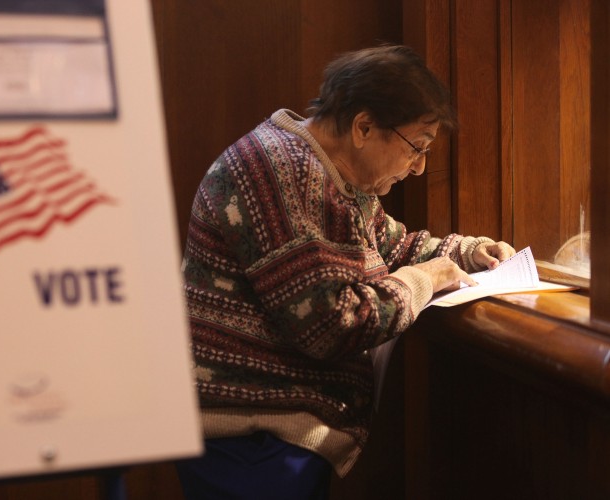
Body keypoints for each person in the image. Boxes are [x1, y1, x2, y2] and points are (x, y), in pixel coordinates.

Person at [176, 44, 515, 499]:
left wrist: (468, 252)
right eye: (417, 146)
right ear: (364, 127)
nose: (419, 168)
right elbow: (330, 324)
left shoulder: (332, 175)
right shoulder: (283, 170)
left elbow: (393, 247)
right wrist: (427, 279)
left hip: (273, 431)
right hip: (249, 438)